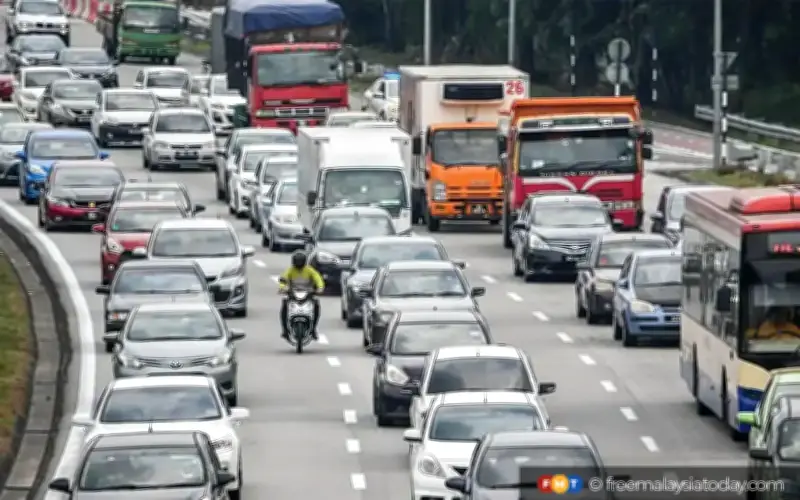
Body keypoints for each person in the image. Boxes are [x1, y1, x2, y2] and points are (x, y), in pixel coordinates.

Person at [278, 251, 324, 340]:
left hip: (308, 293)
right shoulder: (290, 270)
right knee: (284, 305)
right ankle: (285, 330)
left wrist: (320, 288)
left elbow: (318, 278)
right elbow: (283, 279)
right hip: (293, 293)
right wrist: (283, 288)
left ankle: (313, 329)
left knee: (316, 305)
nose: (298, 266)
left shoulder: (309, 270)